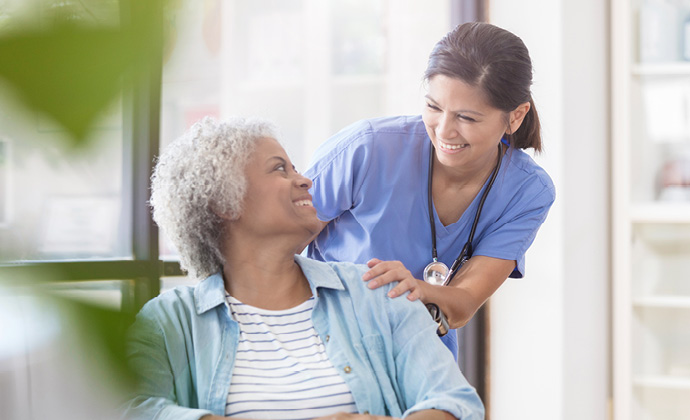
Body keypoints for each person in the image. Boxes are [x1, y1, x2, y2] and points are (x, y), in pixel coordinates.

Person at [121, 117, 484, 420]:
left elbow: (456, 403)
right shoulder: (169, 322)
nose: (305, 179)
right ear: (224, 203)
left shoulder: (378, 291)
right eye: (279, 168)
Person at [305, 22, 556, 357]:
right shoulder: (368, 149)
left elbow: (464, 303)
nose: (444, 131)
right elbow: (271, 247)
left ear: (516, 116)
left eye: (467, 118)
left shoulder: (527, 191)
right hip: (321, 345)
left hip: (420, 359)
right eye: (434, 108)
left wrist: (414, 290)